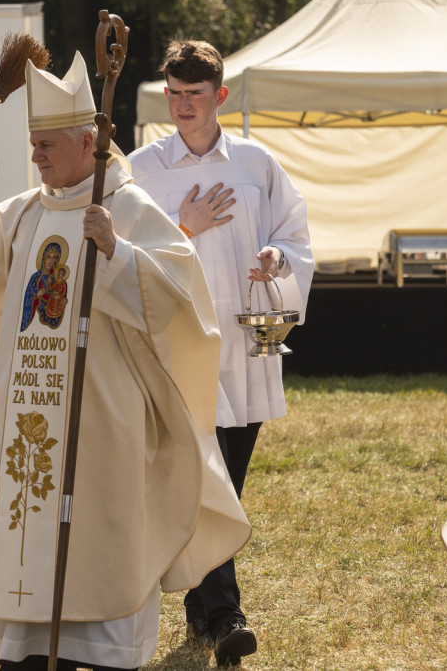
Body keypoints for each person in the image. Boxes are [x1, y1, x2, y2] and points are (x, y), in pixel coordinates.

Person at [0, 52, 250, 671]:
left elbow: (180, 298)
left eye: (47, 144)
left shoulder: (132, 210)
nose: (36, 156)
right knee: (33, 538)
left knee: (103, 536)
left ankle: (106, 652)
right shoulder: (25, 212)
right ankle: (28, 652)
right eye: (33, 144)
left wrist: (115, 251)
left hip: (105, 420)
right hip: (32, 415)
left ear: (90, 141)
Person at [126, 39, 314, 666]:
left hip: (246, 341)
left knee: (226, 482)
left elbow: (294, 233)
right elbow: (117, 253)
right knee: (205, 479)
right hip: (180, 346)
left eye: (194, 95)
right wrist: (183, 227)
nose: (181, 106)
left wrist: (276, 258)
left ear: (219, 96)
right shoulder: (143, 169)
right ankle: (229, 615)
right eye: (174, 95)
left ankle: (200, 603)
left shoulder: (257, 164)